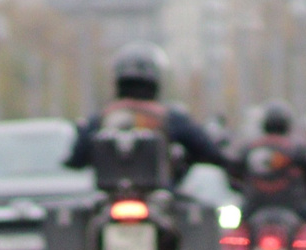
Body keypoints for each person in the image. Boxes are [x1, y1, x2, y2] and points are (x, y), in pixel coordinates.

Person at [66, 43, 224, 181]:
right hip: (161, 200)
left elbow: (76, 159)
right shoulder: (171, 118)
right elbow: (208, 152)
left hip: (110, 201)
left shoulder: (101, 119)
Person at [232, 103, 306, 222]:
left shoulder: (249, 148)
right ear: (287, 124)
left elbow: (233, 172)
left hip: (252, 208)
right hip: (296, 208)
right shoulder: (298, 148)